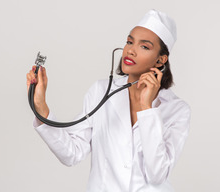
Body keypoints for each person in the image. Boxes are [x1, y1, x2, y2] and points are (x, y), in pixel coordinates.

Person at [26, 9, 191, 192]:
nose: (131, 50)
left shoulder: (177, 110)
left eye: (144, 46)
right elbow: (71, 154)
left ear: (161, 60)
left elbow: (157, 174)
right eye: (129, 42)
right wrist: (40, 106)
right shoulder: (100, 92)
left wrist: (146, 109)